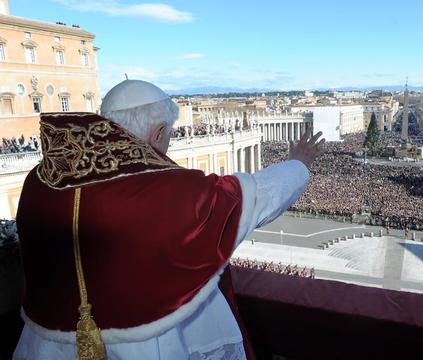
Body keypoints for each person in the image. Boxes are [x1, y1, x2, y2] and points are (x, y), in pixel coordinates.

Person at [13, 79, 325, 360]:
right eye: (169, 136)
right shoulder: (167, 190)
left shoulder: (40, 181)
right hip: (147, 343)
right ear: (157, 132)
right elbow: (254, 198)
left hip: (50, 342)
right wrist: (298, 164)